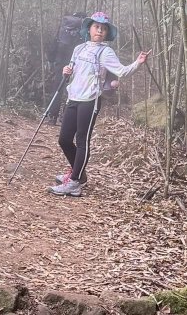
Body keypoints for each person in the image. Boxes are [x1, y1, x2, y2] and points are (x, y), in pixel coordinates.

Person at [49, 11, 150, 197]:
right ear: (89, 29)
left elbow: (122, 72)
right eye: (96, 27)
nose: (100, 31)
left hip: (90, 100)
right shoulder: (79, 49)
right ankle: (79, 173)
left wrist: (138, 62)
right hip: (74, 97)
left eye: (103, 28)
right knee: (63, 139)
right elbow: (72, 71)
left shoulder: (106, 52)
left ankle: (74, 182)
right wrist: (66, 71)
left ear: (106, 32)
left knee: (81, 141)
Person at [45, 12, 86, 125]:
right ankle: (66, 117)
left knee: (58, 88)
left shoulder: (64, 26)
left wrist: (51, 59)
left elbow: (54, 43)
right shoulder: (85, 29)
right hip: (77, 63)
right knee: (73, 89)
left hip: (61, 60)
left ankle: (52, 117)